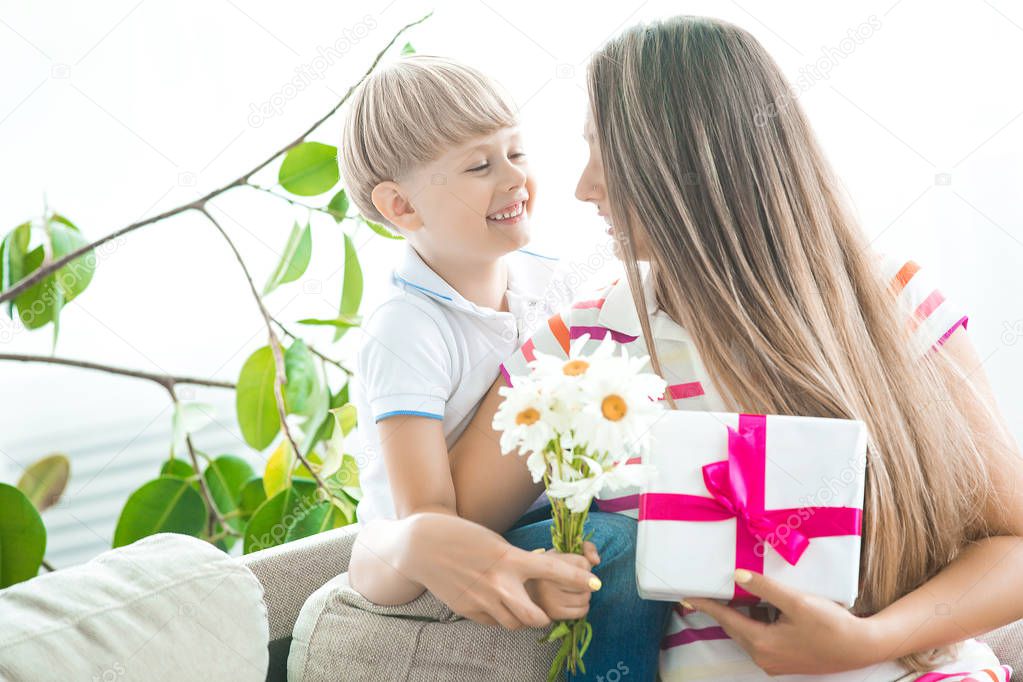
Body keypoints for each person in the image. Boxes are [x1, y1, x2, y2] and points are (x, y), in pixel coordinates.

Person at [450, 16, 1022, 681]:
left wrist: (866, 642)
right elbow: (442, 523)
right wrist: (446, 551)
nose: (583, 186)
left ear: (689, 163)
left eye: (604, 149)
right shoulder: (578, 347)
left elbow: (1011, 543)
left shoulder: (889, 304)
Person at [340, 54, 671, 679]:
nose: (514, 179)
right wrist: (522, 567)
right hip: (433, 555)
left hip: (538, 509)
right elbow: (427, 518)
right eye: (479, 165)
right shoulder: (405, 326)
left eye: (516, 153)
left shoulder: (548, 280)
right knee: (615, 547)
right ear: (401, 206)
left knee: (649, 508)